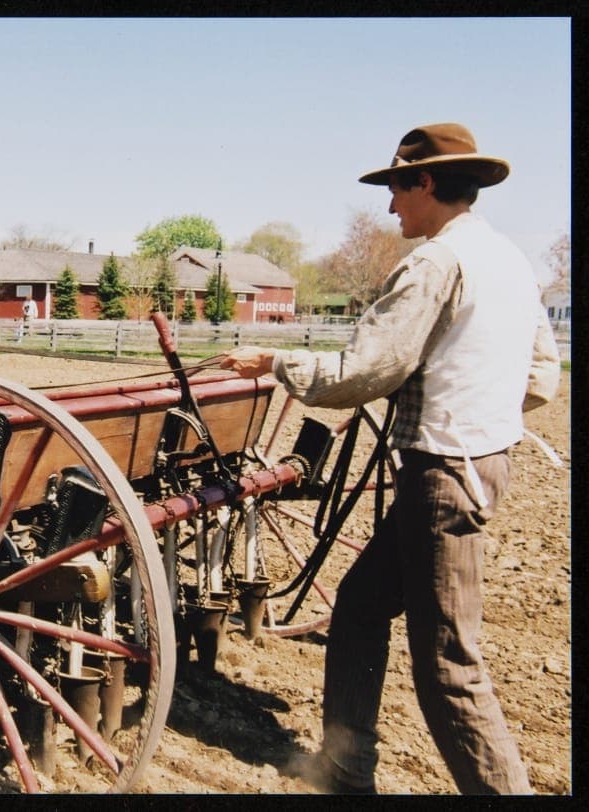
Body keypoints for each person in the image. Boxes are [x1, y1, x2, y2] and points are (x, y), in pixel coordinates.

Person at [221, 122, 560, 795]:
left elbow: (365, 370)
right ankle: (345, 765)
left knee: (449, 669)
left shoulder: (437, 263)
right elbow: (541, 377)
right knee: (359, 605)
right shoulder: (509, 261)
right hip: (478, 464)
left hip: (444, 476)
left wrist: (274, 361)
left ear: (426, 181)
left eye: (397, 190)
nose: (390, 207)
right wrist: (474, 405)